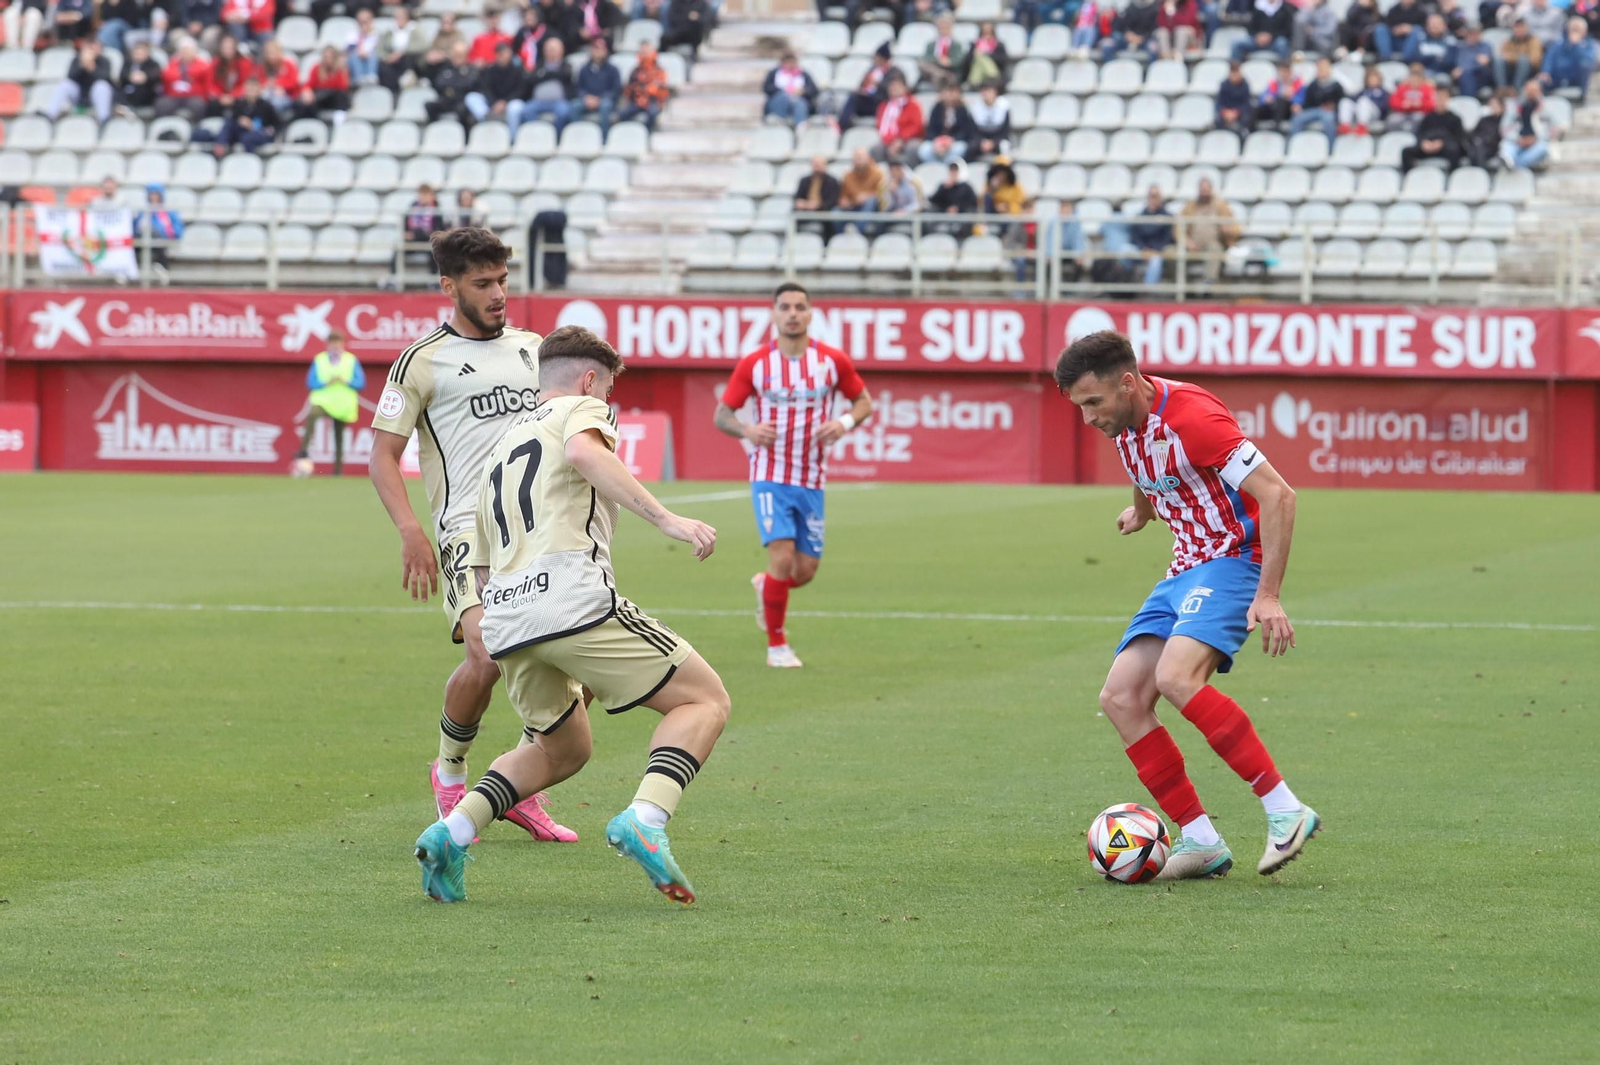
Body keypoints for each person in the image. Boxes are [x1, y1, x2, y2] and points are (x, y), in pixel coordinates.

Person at [412, 324, 728, 905]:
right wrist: (667, 520)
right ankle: (647, 820)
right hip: (569, 597)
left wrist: (506, 616)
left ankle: (451, 834)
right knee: (703, 700)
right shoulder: (581, 411)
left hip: (505, 614)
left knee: (564, 749)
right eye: (607, 392)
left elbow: (478, 563)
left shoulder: (501, 447)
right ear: (588, 381)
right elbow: (585, 452)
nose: (606, 406)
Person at [1053, 331, 1318, 881]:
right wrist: (1144, 511)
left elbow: (1279, 495)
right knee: (1122, 697)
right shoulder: (1123, 418)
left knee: (1176, 678)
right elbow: (1144, 464)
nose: (1087, 420)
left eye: (1093, 403)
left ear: (1128, 383)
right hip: (1183, 569)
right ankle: (1201, 842)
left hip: (1233, 559)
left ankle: (1285, 809)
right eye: (1079, 407)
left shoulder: (1195, 419)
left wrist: (1267, 595)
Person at [369, 227, 579, 848]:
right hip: (468, 530)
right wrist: (411, 529)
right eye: (482, 283)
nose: (497, 294)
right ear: (449, 286)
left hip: (540, 529)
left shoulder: (532, 349)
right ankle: (451, 772)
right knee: (486, 655)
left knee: (578, 663)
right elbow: (383, 455)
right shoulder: (421, 360)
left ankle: (518, 783)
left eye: (502, 282)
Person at [711, 284, 874, 669]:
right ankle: (777, 646)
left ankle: (765, 586)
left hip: (812, 478)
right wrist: (748, 431)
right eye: (785, 307)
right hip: (769, 474)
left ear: (811, 314)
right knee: (781, 558)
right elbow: (722, 416)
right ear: (774, 315)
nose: (792, 313)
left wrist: (844, 422)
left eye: (800, 307)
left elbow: (864, 401)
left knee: (804, 571)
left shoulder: (832, 361)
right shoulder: (755, 364)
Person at [294, 330, 366, 476]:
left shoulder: (351, 360)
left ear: (342, 344)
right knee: (312, 415)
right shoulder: (320, 359)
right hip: (323, 400)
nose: (335, 345)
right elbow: (311, 382)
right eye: (332, 342)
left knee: (339, 436)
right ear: (327, 344)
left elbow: (361, 383)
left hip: (343, 404)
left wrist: (346, 381)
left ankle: (337, 471)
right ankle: (304, 450)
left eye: (338, 342)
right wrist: (326, 382)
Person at [194, 76, 278, 155]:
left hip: (257, 134)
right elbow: (232, 122)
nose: (251, 90)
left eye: (254, 87)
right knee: (229, 123)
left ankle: (249, 160)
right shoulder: (239, 104)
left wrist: (253, 126)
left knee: (248, 138)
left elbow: (274, 126)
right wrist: (241, 122)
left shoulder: (266, 106)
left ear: (260, 89)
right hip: (241, 132)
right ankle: (220, 146)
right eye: (249, 88)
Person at [1179, 177, 1239, 281]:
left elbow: (1236, 228)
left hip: (1212, 244)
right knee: (1170, 252)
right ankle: (1183, 284)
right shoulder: (1190, 206)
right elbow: (1177, 227)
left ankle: (1208, 285)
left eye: (1207, 189)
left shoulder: (1221, 206)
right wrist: (1187, 241)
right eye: (1202, 189)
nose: (1204, 192)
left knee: (1214, 248)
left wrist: (1227, 230)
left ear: (1211, 190)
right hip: (1192, 246)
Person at [48, 38, 113, 124]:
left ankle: (104, 119)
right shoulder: (77, 60)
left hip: (95, 95)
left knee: (101, 86)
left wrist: (91, 67)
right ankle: (50, 115)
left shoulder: (104, 61)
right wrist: (82, 65)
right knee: (64, 85)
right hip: (79, 94)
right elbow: (70, 76)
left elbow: (105, 78)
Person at [464, 41, 527, 129]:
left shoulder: (518, 70)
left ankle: (512, 138)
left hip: (510, 102)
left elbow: (520, 90)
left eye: (505, 53)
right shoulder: (490, 70)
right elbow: (486, 88)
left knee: (515, 107)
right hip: (493, 103)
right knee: (471, 97)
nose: (502, 56)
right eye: (499, 53)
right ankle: (486, 122)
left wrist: (504, 102)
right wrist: (494, 103)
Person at [1400, 90, 1465, 170]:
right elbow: (1419, 133)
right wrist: (1423, 143)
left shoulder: (1455, 118)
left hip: (1444, 147)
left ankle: (1453, 175)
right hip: (1427, 146)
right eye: (1438, 98)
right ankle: (1409, 175)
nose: (1440, 101)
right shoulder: (1428, 117)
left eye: (1442, 98)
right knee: (1406, 151)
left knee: (1454, 151)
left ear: (1447, 100)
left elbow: (1458, 137)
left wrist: (1442, 143)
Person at [156, 37, 216, 120]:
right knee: (162, 104)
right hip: (174, 95)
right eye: (183, 50)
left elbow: (207, 82)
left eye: (188, 50)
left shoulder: (203, 65)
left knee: (198, 105)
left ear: (194, 51)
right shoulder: (172, 64)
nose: (186, 52)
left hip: (194, 96)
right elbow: (166, 77)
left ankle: (198, 128)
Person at [1289, 55, 1344, 145]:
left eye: (1323, 67)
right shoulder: (1313, 85)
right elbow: (1307, 102)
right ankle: (1292, 146)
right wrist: (1299, 107)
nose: (1321, 69)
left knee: (1329, 119)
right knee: (1297, 118)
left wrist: (1334, 106)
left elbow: (1341, 101)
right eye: (1319, 67)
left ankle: (1331, 149)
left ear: (1329, 68)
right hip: (1314, 111)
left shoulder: (1336, 85)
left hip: (1328, 112)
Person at [615, 41, 669, 130]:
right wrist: (637, 96)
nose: (644, 55)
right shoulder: (635, 71)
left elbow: (661, 90)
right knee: (622, 114)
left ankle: (646, 135)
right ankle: (629, 133)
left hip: (653, 101)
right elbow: (629, 89)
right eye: (642, 52)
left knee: (652, 113)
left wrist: (647, 94)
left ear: (653, 53)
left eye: (646, 52)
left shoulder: (660, 71)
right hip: (636, 100)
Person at [572, 38, 621, 136]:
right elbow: (579, 87)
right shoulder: (584, 69)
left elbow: (616, 89)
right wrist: (585, 97)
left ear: (605, 51)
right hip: (587, 99)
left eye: (600, 49)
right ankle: (577, 135)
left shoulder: (612, 69)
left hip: (604, 100)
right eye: (595, 49)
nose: (597, 52)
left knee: (605, 106)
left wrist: (600, 99)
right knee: (574, 106)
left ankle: (604, 138)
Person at [919, 80, 976, 163]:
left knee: (960, 149)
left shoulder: (962, 109)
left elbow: (965, 131)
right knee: (924, 150)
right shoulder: (937, 108)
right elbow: (930, 129)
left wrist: (951, 140)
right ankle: (937, 168)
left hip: (954, 142)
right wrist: (937, 141)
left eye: (952, 92)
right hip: (937, 142)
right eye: (947, 91)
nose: (949, 95)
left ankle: (948, 168)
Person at [838, 42, 893, 128]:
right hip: (867, 100)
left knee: (854, 98)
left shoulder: (893, 72)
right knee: (853, 97)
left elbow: (893, 90)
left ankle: (842, 125)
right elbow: (862, 84)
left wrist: (879, 84)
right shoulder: (872, 69)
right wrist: (860, 90)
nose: (875, 59)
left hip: (880, 103)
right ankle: (843, 123)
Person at [1540, 17, 1595, 101]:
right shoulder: (1559, 43)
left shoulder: (1589, 45)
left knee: (1585, 66)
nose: (1574, 32)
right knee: (1539, 81)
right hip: (1557, 77)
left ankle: (1582, 97)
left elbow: (1587, 61)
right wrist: (1546, 71)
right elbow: (1549, 58)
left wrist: (1576, 45)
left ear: (1584, 32)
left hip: (1575, 78)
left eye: (1577, 30)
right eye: (1573, 29)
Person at [872, 75, 924, 162]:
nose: (893, 89)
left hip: (907, 140)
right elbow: (879, 125)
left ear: (905, 88)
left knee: (912, 148)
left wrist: (900, 140)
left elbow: (916, 127)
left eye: (897, 86)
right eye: (891, 87)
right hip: (888, 140)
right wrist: (890, 141)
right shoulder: (884, 106)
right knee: (876, 149)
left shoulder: (912, 105)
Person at [1502, 78, 1552, 168]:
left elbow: (1554, 128)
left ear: (1540, 91)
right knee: (1505, 146)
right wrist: (1517, 139)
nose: (1531, 93)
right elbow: (1504, 127)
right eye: (1529, 90)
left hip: (1536, 142)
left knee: (1543, 148)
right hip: (1517, 141)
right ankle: (1512, 162)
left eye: (1534, 90)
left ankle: (1516, 166)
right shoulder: (1515, 106)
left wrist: (1535, 139)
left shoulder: (1546, 108)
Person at [295, 45, 352, 121]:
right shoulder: (317, 68)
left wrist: (337, 71)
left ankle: (339, 120)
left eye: (330, 57)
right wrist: (307, 91)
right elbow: (309, 84)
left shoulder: (340, 70)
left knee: (341, 96)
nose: (328, 60)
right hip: (320, 99)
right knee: (305, 102)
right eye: (326, 57)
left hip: (334, 99)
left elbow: (342, 87)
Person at [1130, 185, 1173, 286]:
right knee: (1124, 250)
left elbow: (1168, 238)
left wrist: (1155, 250)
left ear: (1160, 198)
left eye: (1156, 196)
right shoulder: (1139, 216)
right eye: (1151, 196)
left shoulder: (1168, 217)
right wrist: (1143, 249)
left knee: (1156, 260)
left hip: (1158, 251)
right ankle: (1124, 285)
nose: (1153, 199)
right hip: (1141, 250)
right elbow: (1134, 237)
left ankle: (1148, 290)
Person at [425, 40, 477, 123]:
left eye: (460, 55)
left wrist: (451, 84)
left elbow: (468, 85)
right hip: (446, 98)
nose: (457, 57)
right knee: (430, 105)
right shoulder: (446, 67)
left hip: (461, 99)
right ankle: (435, 127)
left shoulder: (470, 69)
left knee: (463, 110)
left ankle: (464, 133)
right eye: (455, 54)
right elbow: (438, 83)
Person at [138, 184, 183, 278]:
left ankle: (162, 268)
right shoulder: (143, 213)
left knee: (156, 239)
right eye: (151, 195)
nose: (154, 197)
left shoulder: (168, 213)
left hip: (162, 241)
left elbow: (177, 230)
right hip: (143, 240)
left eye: (156, 195)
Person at [379, 6, 427, 92]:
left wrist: (402, 52)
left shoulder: (415, 28)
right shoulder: (390, 31)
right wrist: (387, 57)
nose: (398, 19)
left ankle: (409, 83)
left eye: (400, 17)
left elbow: (422, 45)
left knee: (407, 60)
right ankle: (390, 91)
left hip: (409, 58)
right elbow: (381, 47)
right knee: (383, 67)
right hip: (392, 59)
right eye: (396, 17)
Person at [762, 52, 817, 125]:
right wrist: (783, 90)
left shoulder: (804, 75)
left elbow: (813, 90)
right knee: (783, 97)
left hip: (798, 100)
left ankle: (800, 126)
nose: (790, 65)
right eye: (788, 63)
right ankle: (779, 124)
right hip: (779, 101)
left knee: (799, 103)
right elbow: (767, 88)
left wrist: (803, 91)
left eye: (792, 63)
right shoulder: (774, 73)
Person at [839, 147, 885, 232]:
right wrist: (844, 200)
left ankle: (857, 230)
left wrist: (867, 196)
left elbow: (883, 194)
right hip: (853, 206)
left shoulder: (877, 173)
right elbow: (844, 195)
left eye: (860, 157)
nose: (858, 160)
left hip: (872, 209)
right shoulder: (848, 176)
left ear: (868, 159)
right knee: (836, 212)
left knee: (870, 201)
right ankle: (839, 236)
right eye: (856, 158)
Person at [792, 154, 841, 235]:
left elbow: (833, 200)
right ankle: (794, 238)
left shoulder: (832, 181)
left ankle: (826, 243)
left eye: (819, 165)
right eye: (815, 165)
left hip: (822, 210)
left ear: (825, 166)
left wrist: (818, 205)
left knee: (829, 217)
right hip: (805, 209)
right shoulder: (804, 181)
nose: (817, 168)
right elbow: (797, 197)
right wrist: (804, 204)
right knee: (794, 213)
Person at [928, 160, 977, 236]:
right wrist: (944, 189)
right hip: (944, 216)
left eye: (955, 171)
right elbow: (934, 201)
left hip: (962, 217)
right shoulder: (943, 187)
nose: (953, 173)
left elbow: (973, 203)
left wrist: (959, 209)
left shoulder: (966, 187)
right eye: (951, 171)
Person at [1404, 14, 1458, 79]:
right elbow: (1410, 56)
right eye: (1431, 23)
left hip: (1441, 73)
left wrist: (1428, 58)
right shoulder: (1419, 37)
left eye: (1437, 23)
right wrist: (1436, 58)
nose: (1434, 26)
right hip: (1420, 73)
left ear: (1444, 26)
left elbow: (1450, 61)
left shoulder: (1451, 40)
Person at [1338, 65, 1390, 132]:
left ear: (1379, 79)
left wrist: (1372, 103)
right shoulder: (1364, 90)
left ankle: (1362, 126)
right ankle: (1344, 125)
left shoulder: (1383, 92)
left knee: (1364, 101)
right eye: (1370, 78)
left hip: (1375, 113)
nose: (1372, 80)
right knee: (1345, 101)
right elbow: (1353, 99)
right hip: (1360, 111)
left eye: (1374, 78)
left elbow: (1384, 106)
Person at [117, 40, 163, 113]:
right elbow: (122, 75)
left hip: (145, 91)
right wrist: (130, 77)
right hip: (128, 89)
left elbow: (156, 75)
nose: (138, 55)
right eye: (136, 53)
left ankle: (130, 110)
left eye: (141, 53)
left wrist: (145, 77)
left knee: (140, 89)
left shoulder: (153, 64)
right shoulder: (128, 63)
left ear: (147, 53)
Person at [1388, 62, 1437, 130]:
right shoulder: (1402, 88)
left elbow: (1432, 104)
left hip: (1420, 113)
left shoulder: (1427, 89)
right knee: (1393, 119)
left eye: (1417, 79)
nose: (1414, 81)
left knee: (1419, 118)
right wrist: (1402, 104)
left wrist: (1421, 104)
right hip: (1403, 112)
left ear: (1421, 79)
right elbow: (1393, 101)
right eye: (1413, 79)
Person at [1498, 18, 1544, 91]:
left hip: (1529, 73)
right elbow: (1502, 55)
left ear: (1526, 28)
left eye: (1521, 27)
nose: (1519, 30)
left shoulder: (1534, 40)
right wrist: (1516, 58)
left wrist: (1512, 57)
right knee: (1498, 60)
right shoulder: (1508, 41)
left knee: (1523, 60)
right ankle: (1502, 88)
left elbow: (1535, 60)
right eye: (1516, 27)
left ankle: (1516, 89)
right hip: (1511, 71)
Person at [1254, 59, 1302, 128]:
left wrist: (1291, 98)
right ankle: (1249, 131)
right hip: (1274, 108)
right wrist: (1266, 99)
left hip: (1289, 111)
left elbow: (1302, 99)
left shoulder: (1297, 83)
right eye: (1282, 71)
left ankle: (1277, 128)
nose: (1284, 74)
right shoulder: (1274, 83)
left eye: (1286, 71)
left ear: (1290, 72)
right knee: (1255, 109)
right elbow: (1262, 97)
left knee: (1280, 101)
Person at [969, 80, 1012, 157]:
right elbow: (973, 131)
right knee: (971, 147)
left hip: (998, 138)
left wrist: (993, 143)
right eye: (983, 91)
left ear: (995, 92)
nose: (986, 94)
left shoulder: (1004, 107)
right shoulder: (975, 108)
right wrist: (982, 142)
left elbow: (1005, 131)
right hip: (981, 140)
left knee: (1004, 147)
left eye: (989, 91)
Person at [962, 20, 1009, 89]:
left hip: (996, 72)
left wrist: (986, 54)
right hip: (980, 74)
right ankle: (991, 76)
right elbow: (966, 62)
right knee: (979, 58)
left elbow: (1002, 61)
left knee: (981, 56)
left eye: (989, 34)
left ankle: (974, 81)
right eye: (985, 34)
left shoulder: (999, 45)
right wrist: (974, 55)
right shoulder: (975, 45)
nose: (987, 36)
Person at [1453, 25, 1496, 99]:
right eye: (1471, 34)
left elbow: (1484, 62)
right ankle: (1467, 101)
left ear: (1480, 34)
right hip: (1464, 76)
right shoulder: (1461, 47)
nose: (1473, 36)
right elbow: (1456, 64)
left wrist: (1464, 68)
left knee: (1467, 74)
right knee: (1465, 76)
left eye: (1476, 34)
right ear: (1467, 34)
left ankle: (1468, 101)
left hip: (1481, 75)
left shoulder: (1485, 46)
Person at [1215, 61, 1253, 135]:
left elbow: (1246, 103)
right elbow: (1219, 103)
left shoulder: (1245, 85)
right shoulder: (1224, 85)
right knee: (1217, 119)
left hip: (1240, 112)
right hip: (1227, 111)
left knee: (1246, 118)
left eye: (1237, 74)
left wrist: (1236, 112)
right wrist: (1225, 112)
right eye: (1233, 74)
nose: (1235, 77)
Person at [346, 7, 381, 85]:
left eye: (365, 22)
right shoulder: (353, 34)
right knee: (354, 55)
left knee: (373, 54)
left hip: (370, 58)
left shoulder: (376, 34)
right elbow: (350, 48)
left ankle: (372, 76)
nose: (363, 24)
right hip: (357, 58)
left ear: (371, 21)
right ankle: (359, 78)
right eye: (361, 22)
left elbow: (377, 47)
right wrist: (359, 50)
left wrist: (366, 52)